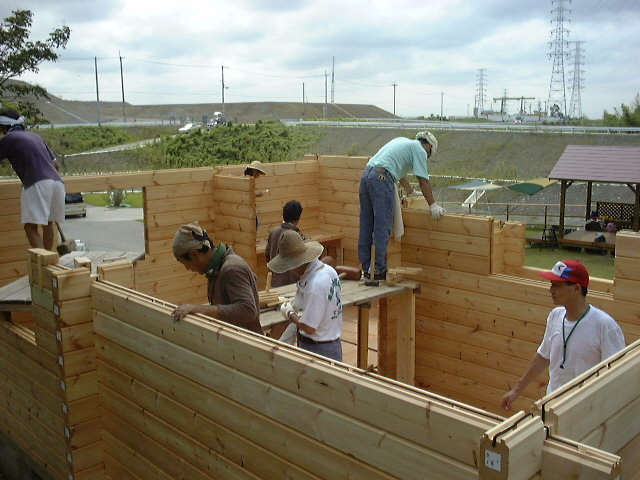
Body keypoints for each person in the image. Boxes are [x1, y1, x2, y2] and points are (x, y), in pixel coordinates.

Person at [500, 260, 625, 411]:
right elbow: (543, 356)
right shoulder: (555, 316)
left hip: (586, 410)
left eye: (557, 285)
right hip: (552, 406)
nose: (551, 290)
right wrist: (516, 390)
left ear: (576, 289)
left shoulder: (605, 326)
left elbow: (616, 375)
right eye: (552, 284)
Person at [358, 131, 445, 280]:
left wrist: (410, 192)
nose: (427, 157)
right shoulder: (419, 149)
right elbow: (423, 180)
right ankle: (378, 270)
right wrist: (433, 205)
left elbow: (399, 172)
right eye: (429, 154)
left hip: (367, 176)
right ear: (428, 146)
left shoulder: (402, 142)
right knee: (382, 225)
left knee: (366, 224)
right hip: (381, 179)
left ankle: (366, 268)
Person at [171, 222, 263, 335]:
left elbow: (248, 310)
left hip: (247, 345)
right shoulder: (216, 269)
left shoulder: (231, 268)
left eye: (185, 263)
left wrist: (200, 309)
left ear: (194, 253)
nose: (188, 268)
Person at [267, 230, 343, 361]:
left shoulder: (315, 285)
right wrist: (301, 300)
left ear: (297, 262)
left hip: (318, 351)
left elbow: (310, 328)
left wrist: (290, 314)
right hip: (332, 345)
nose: (290, 270)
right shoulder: (329, 271)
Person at [0, 108, 65, 250]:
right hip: (57, 183)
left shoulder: (9, 139)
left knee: (30, 227)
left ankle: (42, 263)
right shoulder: (36, 137)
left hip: (37, 182)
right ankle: (49, 262)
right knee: (48, 224)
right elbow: (55, 165)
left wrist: (31, 179)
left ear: (5, 127)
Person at [265, 200, 305, 288]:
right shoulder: (294, 235)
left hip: (276, 282)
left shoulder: (274, 231)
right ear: (298, 216)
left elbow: (267, 254)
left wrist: (273, 271)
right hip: (291, 283)